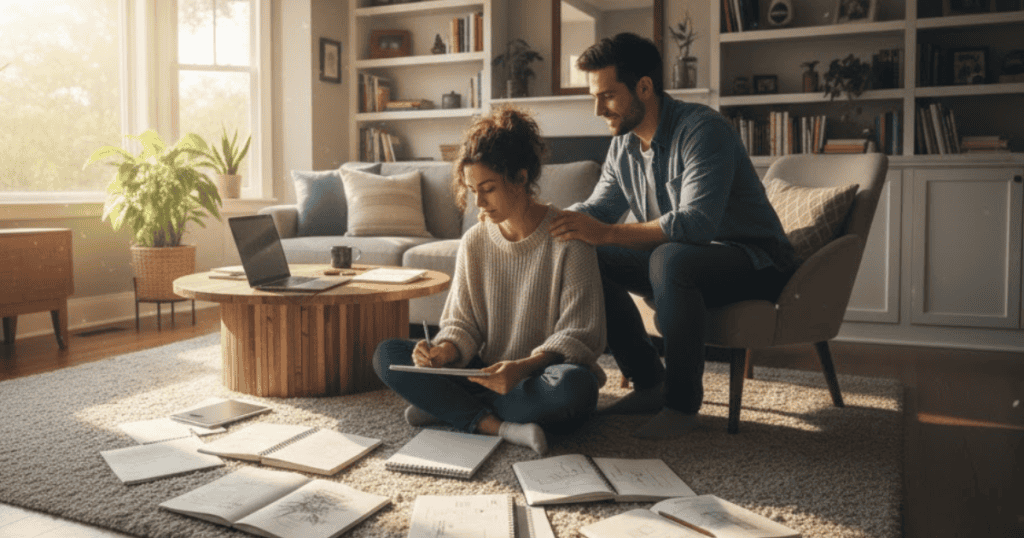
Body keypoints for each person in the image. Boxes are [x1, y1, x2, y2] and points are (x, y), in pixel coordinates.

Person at [549, 33, 797, 438]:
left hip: (755, 262)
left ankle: (682, 406)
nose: (597, 110)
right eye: (594, 97)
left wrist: (606, 233)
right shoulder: (623, 145)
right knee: (588, 253)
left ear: (644, 87)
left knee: (670, 257)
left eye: (608, 96)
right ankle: (649, 383)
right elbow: (598, 210)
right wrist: (546, 221)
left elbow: (697, 224)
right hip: (683, 263)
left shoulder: (703, 130)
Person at [372, 105, 607, 455]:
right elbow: (462, 323)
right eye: (471, 190)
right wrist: (442, 352)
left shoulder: (569, 237)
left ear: (521, 178)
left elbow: (580, 334)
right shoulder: (475, 241)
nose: (478, 202)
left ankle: (448, 408)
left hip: (540, 377)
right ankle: (498, 426)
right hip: (487, 374)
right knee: (387, 355)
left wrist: (522, 368)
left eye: (488, 188)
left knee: (575, 389)